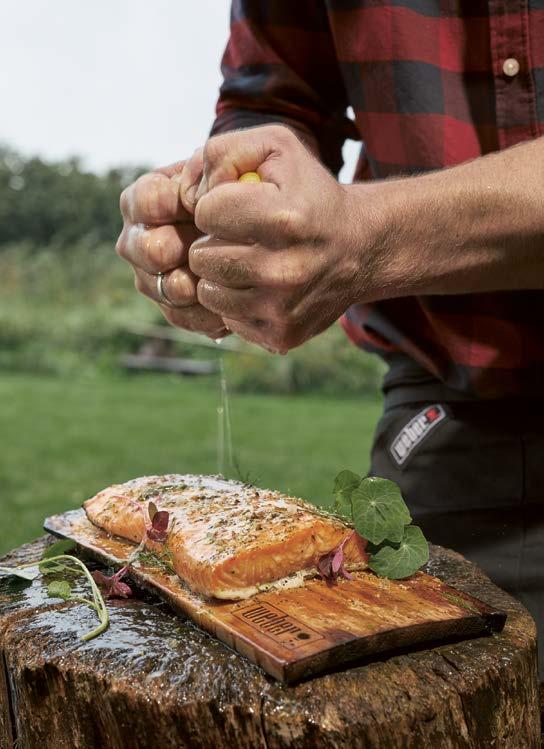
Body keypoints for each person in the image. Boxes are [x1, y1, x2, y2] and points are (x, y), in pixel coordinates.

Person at [116, 1, 544, 677]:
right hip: (448, 402)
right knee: (408, 690)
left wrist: (367, 238)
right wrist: (239, 216)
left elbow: (360, 232)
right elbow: (275, 103)